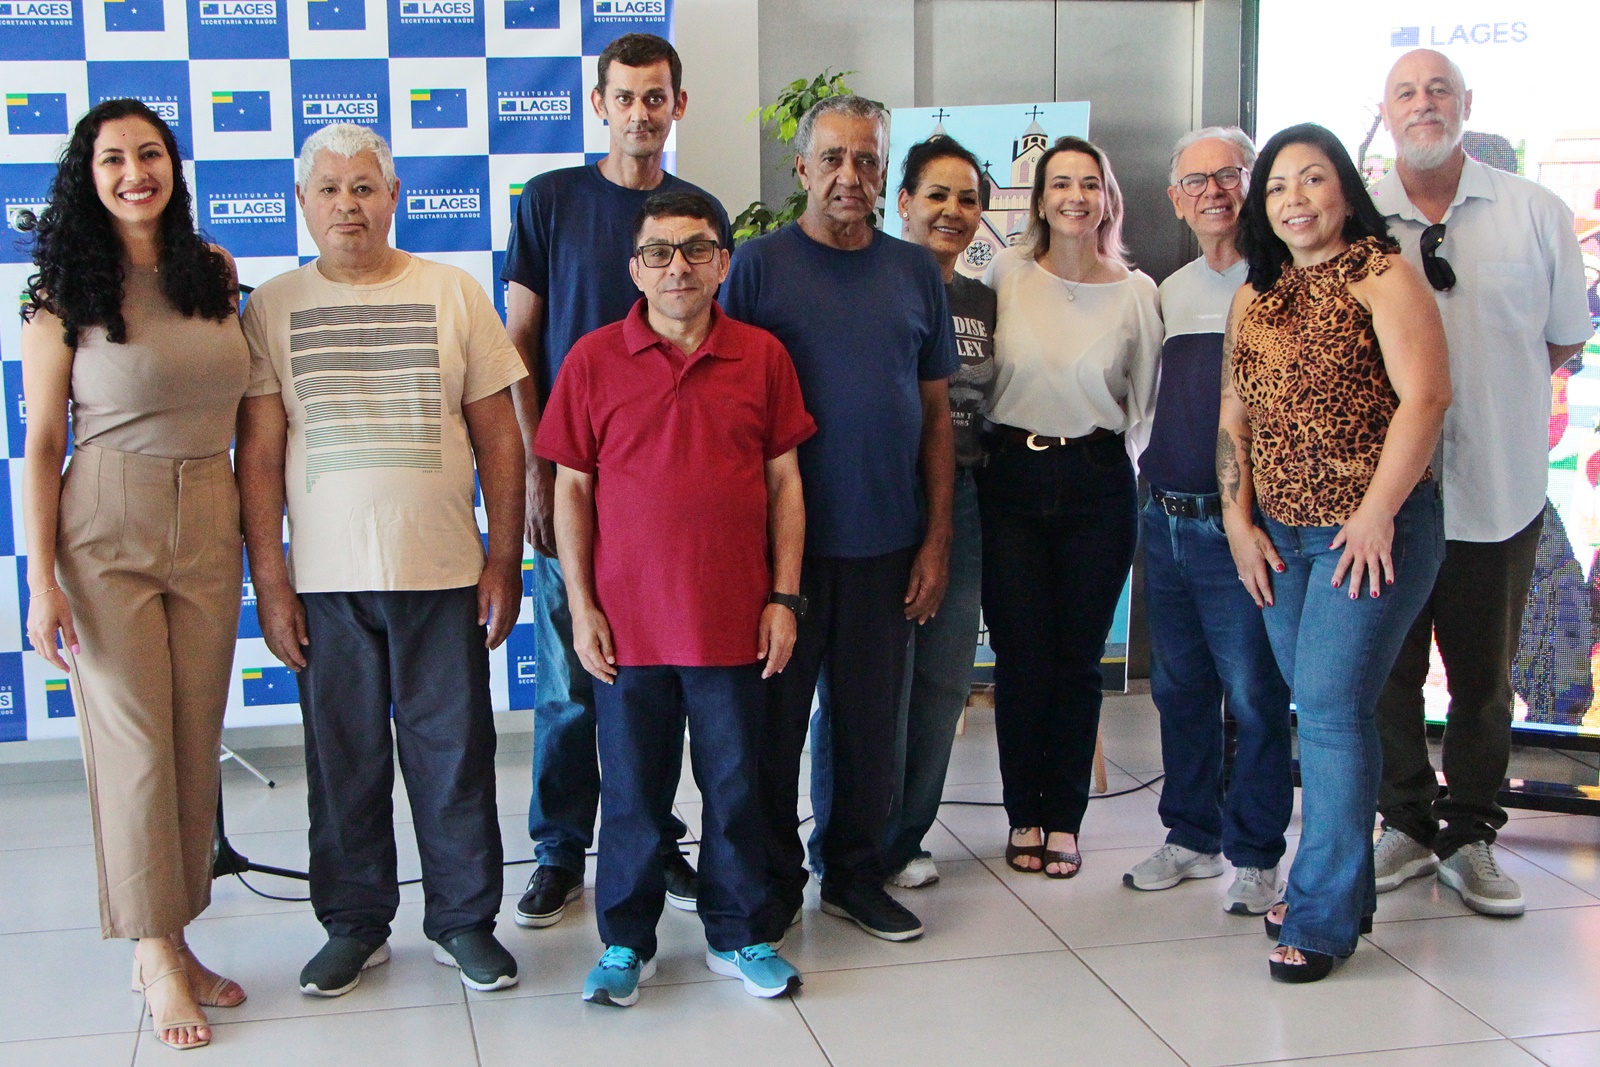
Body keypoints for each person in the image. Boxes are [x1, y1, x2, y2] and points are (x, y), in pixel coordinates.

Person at [236, 124, 527, 999]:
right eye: (328, 189)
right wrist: (271, 580)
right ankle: (354, 925)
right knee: (343, 764)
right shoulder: (272, 307)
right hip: (324, 587)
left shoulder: (453, 292)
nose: (347, 205)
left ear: (393, 196)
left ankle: (464, 921)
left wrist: (504, 558)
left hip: (442, 573)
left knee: (455, 759)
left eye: (364, 187)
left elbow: (500, 438)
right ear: (302, 202)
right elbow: (259, 455)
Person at [536, 191, 813, 1006]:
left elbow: (786, 484)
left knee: (734, 788)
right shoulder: (592, 359)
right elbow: (571, 489)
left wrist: (785, 597)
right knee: (630, 795)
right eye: (659, 251)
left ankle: (738, 932)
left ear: (724, 262)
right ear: (635, 268)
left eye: (696, 249)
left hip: (734, 620)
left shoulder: (762, 357)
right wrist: (582, 606)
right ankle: (626, 942)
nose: (678, 266)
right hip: (627, 628)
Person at [20, 98, 250, 1053]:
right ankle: (153, 950)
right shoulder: (62, 293)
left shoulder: (213, 270)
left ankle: (175, 931)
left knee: (193, 740)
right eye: (112, 159)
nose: (134, 173)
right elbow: (40, 445)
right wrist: (41, 581)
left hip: (210, 517)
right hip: (106, 525)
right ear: (89, 176)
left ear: (172, 167)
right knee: (137, 750)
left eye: (149, 154)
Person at [501, 31, 730, 928]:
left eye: (656, 97)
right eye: (625, 97)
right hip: (572, 485)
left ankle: (653, 842)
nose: (641, 113)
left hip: (665, 502)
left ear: (680, 105)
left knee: (655, 687)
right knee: (568, 681)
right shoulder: (551, 200)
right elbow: (518, 344)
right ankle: (560, 850)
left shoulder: (698, 212)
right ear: (599, 104)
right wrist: (537, 470)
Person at [723, 93, 958, 943]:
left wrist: (936, 537)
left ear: (885, 172)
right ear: (802, 169)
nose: (849, 175)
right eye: (832, 158)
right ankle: (772, 883)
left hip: (886, 542)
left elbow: (935, 414)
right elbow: (727, 406)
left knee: (866, 730)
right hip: (780, 557)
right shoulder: (756, 267)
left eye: (867, 160)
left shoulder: (913, 273)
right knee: (773, 729)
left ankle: (853, 876)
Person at [1221, 122, 1451, 982]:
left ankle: (1319, 916)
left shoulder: (1382, 273)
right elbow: (1234, 417)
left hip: (1372, 534)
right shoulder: (1255, 295)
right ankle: (1345, 891)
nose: (1295, 198)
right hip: (1280, 536)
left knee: (1326, 709)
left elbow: (1427, 398)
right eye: (1278, 185)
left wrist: (1377, 512)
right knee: (1324, 709)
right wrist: (1237, 521)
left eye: (1312, 179)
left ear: (1346, 192)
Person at [1369, 50, 1594, 917]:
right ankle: (1404, 824)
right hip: (1387, 498)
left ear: (1468, 102)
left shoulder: (1535, 212)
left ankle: (1471, 834)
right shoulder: (1358, 217)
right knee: (1388, 672)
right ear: (1386, 110)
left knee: (1484, 681)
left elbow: (1561, 339)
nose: (1424, 104)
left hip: (1499, 490)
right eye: (1406, 92)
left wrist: (1491, 391)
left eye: (1439, 90)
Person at [1122, 127, 1293, 917]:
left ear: (1254, 182)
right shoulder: (1170, 289)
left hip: (1245, 530)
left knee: (1254, 694)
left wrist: (1246, 514)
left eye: (1229, 175)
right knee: (1179, 688)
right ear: (1175, 201)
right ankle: (1192, 835)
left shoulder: (1283, 279)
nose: (1214, 192)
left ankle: (1257, 853)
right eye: (1196, 182)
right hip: (1166, 520)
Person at [979, 136, 1160, 880]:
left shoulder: (1137, 292)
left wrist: (1104, 459)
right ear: (1040, 198)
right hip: (1010, 479)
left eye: (1090, 183)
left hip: (1096, 482)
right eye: (1060, 183)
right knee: (1021, 658)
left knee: (1078, 661)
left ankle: (1064, 819)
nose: (1075, 196)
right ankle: (1022, 812)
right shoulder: (1007, 273)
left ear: (1107, 197)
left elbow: (1145, 404)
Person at [882, 135, 995, 889]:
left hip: (964, 499)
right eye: (936, 195)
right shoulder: (876, 282)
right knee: (876, 685)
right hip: (886, 498)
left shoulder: (984, 299)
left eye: (967, 198)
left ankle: (906, 839)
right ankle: (855, 836)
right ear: (904, 202)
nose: (952, 210)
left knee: (945, 680)